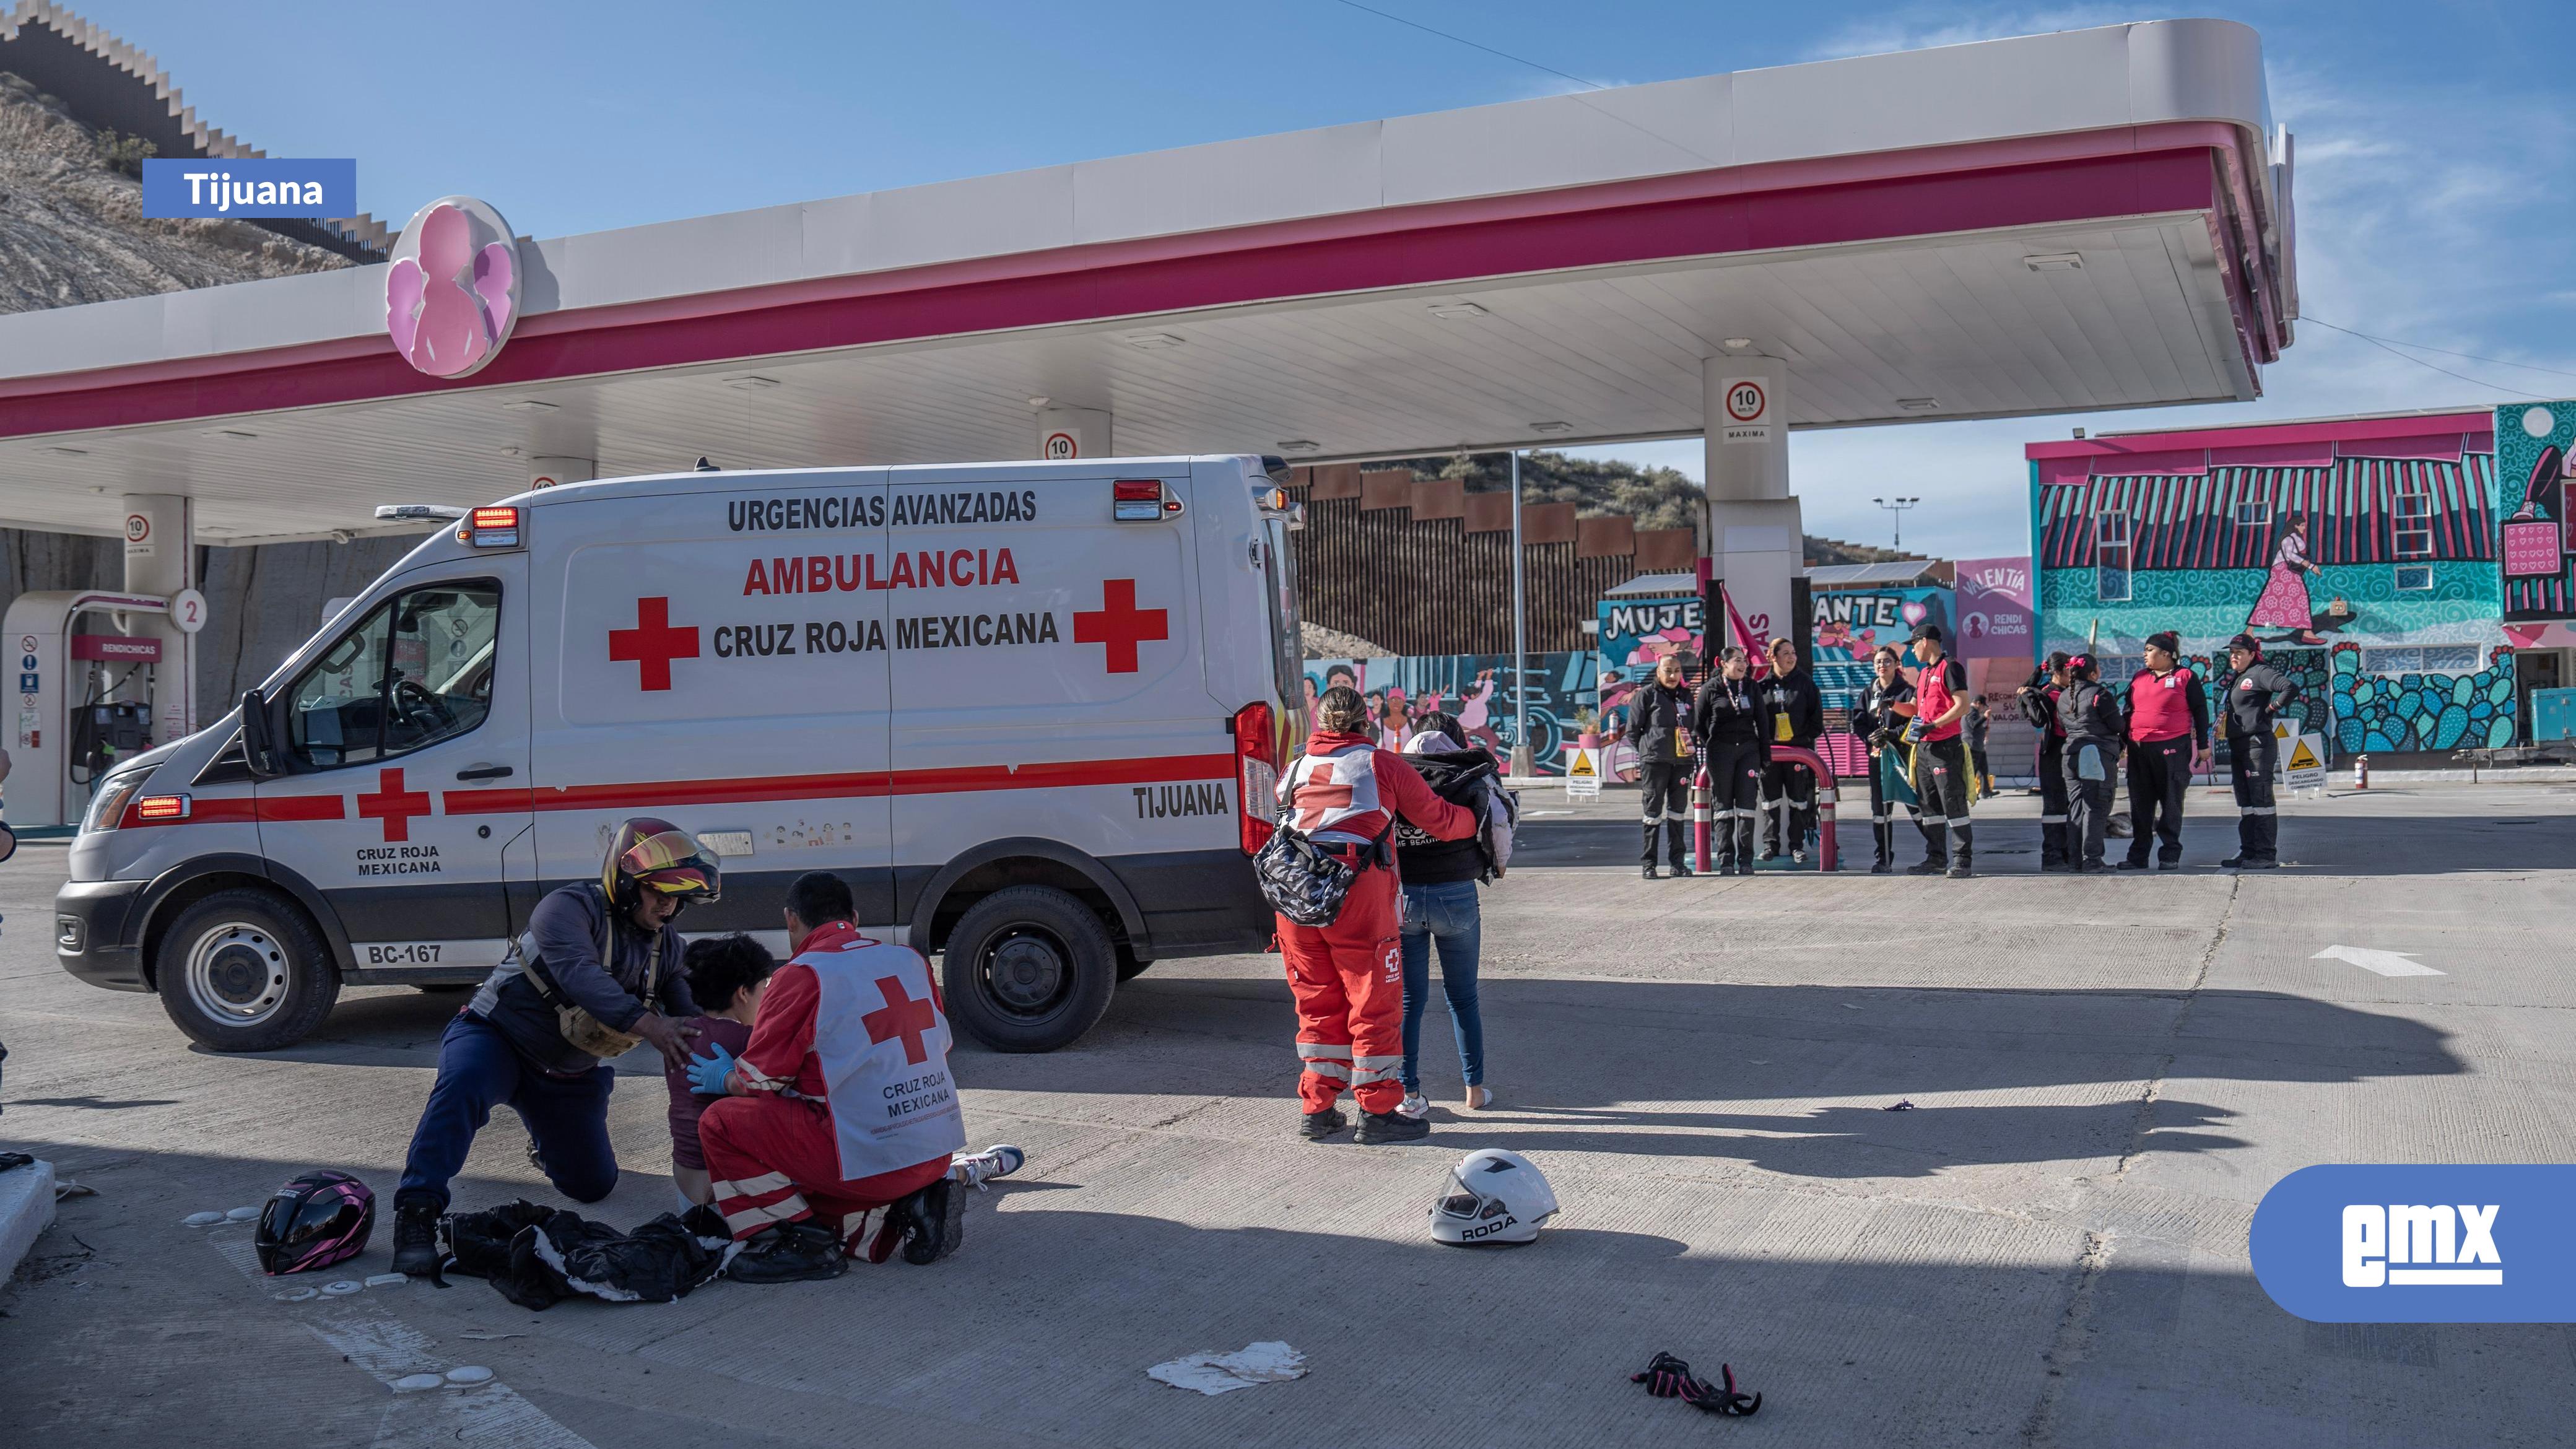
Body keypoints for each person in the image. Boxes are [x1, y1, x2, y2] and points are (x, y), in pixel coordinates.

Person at [392, 817, 716, 1276]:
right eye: (657, 892)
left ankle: (544, 1144)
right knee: (462, 1086)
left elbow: (691, 1018)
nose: (668, 905)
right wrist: (651, 1026)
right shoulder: (567, 907)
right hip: (497, 1038)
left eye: (677, 896)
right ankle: (417, 1212)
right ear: (625, 882)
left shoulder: (669, 947)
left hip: (569, 1074)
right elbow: (579, 976)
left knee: (592, 1185)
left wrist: (728, 1038)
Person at [693, 871, 971, 1281]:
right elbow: (939, 1047)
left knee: (720, 1125)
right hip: (935, 1153)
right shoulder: (909, 960)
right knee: (805, 1173)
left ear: (791, 920)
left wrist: (725, 1078)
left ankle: (803, 1246)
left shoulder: (802, 975)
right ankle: (913, 1204)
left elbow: (761, 1081)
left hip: (872, 1163)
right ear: (854, 917)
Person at [1276, 686, 1477, 1144]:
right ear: (1366, 724)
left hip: (1296, 900)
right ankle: (1378, 1111)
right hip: (1357, 897)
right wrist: (1477, 818)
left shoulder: (1292, 770)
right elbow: (1440, 820)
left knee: (1317, 1006)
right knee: (1374, 1005)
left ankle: (1318, 1109)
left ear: (1320, 725)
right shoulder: (1381, 764)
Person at [1391, 711, 1503, 1118]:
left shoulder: (1393, 774)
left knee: (1408, 1001)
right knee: (1463, 997)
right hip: (1456, 893)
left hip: (1403, 898)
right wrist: (1496, 867)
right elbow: (1499, 827)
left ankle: (1410, 1095)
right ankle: (1474, 1089)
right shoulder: (1470, 773)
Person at [666, 934, 777, 1208]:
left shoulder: (680, 1035)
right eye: (765, 987)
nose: (767, 997)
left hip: (685, 1181)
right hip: (730, 1192)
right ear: (743, 992)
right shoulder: (748, 1040)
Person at [2120, 631, 2211, 871]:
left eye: (2149, 650)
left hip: (2172, 747)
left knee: (2171, 802)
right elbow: (2128, 712)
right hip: (2139, 748)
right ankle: (2138, 856)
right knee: (2140, 804)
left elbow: (2201, 711)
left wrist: (2203, 745)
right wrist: (2122, 744)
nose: (2144, 654)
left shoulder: (2185, 676)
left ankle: (2169, 854)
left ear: (2166, 654)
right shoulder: (2139, 678)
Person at [2220, 633, 2300, 870]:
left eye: (2239, 653)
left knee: (2262, 800)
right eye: (2232, 653)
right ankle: (2248, 852)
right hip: (2239, 745)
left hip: (2257, 745)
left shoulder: (2260, 672)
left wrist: (2271, 708)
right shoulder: (2239, 676)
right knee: (2246, 803)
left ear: (2252, 654)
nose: (2234, 657)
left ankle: (2265, 855)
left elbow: (2289, 687)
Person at [1690, 645, 1772, 875]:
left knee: (1747, 807)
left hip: (1749, 751)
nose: (1742, 664)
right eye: (1737, 660)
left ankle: (1746, 860)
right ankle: (1726, 859)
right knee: (1723, 808)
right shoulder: (1711, 688)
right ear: (1723, 664)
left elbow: (1763, 723)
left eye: (1744, 660)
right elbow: (1698, 724)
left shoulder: (1752, 687)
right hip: (1721, 752)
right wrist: (1712, 744)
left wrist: (1764, 756)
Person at [1904, 624, 1975, 878]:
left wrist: (1933, 725)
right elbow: (1914, 709)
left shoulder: (1950, 667)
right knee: (1929, 805)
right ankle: (1935, 858)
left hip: (1945, 746)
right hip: (1924, 748)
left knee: (1952, 802)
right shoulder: (1924, 674)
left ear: (1925, 641)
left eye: (1914, 644)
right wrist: (1890, 705)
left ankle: (1962, 859)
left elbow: (1963, 705)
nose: (1912, 650)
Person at [1623, 655, 1698, 879]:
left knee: (1677, 813)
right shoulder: (1646, 695)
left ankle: (1678, 863)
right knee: (1652, 814)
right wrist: (1650, 750)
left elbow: (1691, 726)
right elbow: (1633, 731)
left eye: (1677, 670)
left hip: (1682, 763)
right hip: (1655, 763)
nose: (1673, 675)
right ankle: (1649, 864)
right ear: (1658, 672)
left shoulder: (1686, 696)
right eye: (1668, 670)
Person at [1848, 645, 1917, 874]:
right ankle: (1884, 858)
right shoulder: (1869, 693)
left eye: (1887, 661)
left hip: (1902, 757)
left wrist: (1892, 736)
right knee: (1880, 810)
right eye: (1878, 662)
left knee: (1915, 803)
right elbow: (1858, 721)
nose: (1882, 665)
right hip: (1877, 757)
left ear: (1897, 665)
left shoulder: (1906, 692)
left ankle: (1935, 852)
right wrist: (1871, 739)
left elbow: (1912, 722)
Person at [1757, 639, 1825, 862]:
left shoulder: (1806, 684)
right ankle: (1770, 845)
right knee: (1770, 801)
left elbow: (1817, 721)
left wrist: (1802, 741)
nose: (1791, 657)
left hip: (1798, 752)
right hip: (1770, 754)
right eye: (1786, 653)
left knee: (1799, 800)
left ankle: (1797, 846)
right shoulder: (1761, 686)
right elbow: (1755, 721)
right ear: (1772, 656)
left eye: (1793, 653)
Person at [2057, 654, 2124, 871]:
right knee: (2096, 807)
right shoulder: (2100, 694)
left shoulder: (2064, 696)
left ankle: (2076, 861)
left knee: (2076, 808)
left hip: (2071, 756)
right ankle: (2093, 860)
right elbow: (2118, 725)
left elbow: (2064, 725)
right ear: (2094, 673)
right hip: (2095, 755)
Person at [2018, 653, 2074, 871]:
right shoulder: (2046, 694)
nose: (2073, 675)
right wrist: (2028, 697)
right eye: (2070, 670)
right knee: (2055, 807)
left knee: (2071, 806)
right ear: (2058, 671)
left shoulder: (2070, 692)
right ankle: (2052, 855)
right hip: (2054, 755)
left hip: (2071, 754)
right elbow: (2038, 721)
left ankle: (2069, 852)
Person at [2248, 514, 2324, 645]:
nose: (2304, 528)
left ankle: (2249, 631)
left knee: (2272, 599)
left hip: (2284, 571)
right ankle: (2307, 633)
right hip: (2283, 571)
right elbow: (2291, 556)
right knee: (2298, 598)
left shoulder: (2293, 539)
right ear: (2295, 526)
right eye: (2302, 525)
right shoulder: (2288, 540)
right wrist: (2310, 566)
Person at [1964, 698, 1995, 799]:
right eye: (1982, 706)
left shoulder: (1974, 712)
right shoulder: (1971, 712)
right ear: (1978, 703)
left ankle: (1985, 791)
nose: (1982, 709)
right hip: (1973, 746)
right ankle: (1970, 793)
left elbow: (1975, 727)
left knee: (1983, 770)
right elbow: (1973, 725)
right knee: (1973, 770)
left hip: (1978, 746)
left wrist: (1984, 729)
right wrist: (1985, 717)